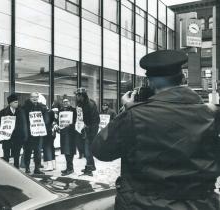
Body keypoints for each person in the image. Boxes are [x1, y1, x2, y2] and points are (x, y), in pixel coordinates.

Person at [92, 50, 220, 210]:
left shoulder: (134, 116)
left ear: (150, 82)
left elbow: (100, 150)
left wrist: (127, 111)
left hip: (142, 204)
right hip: (201, 204)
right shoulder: (211, 114)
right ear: (183, 78)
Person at [0, 93, 27, 169]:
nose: (17, 103)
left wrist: (24, 137)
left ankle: (16, 170)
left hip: (18, 138)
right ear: (10, 103)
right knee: (6, 155)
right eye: (15, 102)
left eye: (17, 102)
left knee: (16, 156)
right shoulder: (3, 112)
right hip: (6, 138)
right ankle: (6, 170)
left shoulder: (21, 112)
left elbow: (24, 125)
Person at [75, 88, 100, 176]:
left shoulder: (88, 104)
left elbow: (94, 119)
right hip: (88, 128)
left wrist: (87, 126)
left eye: (78, 95)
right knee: (86, 148)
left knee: (87, 149)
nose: (76, 97)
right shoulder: (84, 103)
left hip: (91, 129)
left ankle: (89, 168)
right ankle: (90, 165)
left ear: (82, 96)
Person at [22, 92, 48, 174]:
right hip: (29, 134)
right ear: (30, 98)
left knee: (38, 151)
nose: (35, 98)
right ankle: (27, 167)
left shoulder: (41, 107)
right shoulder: (25, 107)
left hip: (38, 133)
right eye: (33, 97)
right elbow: (23, 120)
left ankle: (37, 168)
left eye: (36, 97)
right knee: (27, 151)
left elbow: (46, 119)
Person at [59, 98, 77, 176]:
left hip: (71, 133)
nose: (65, 103)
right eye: (64, 102)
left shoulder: (74, 110)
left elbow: (76, 120)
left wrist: (71, 125)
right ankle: (69, 168)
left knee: (70, 151)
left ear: (70, 102)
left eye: (67, 101)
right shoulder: (61, 110)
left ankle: (70, 168)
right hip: (63, 133)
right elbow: (59, 120)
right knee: (65, 151)